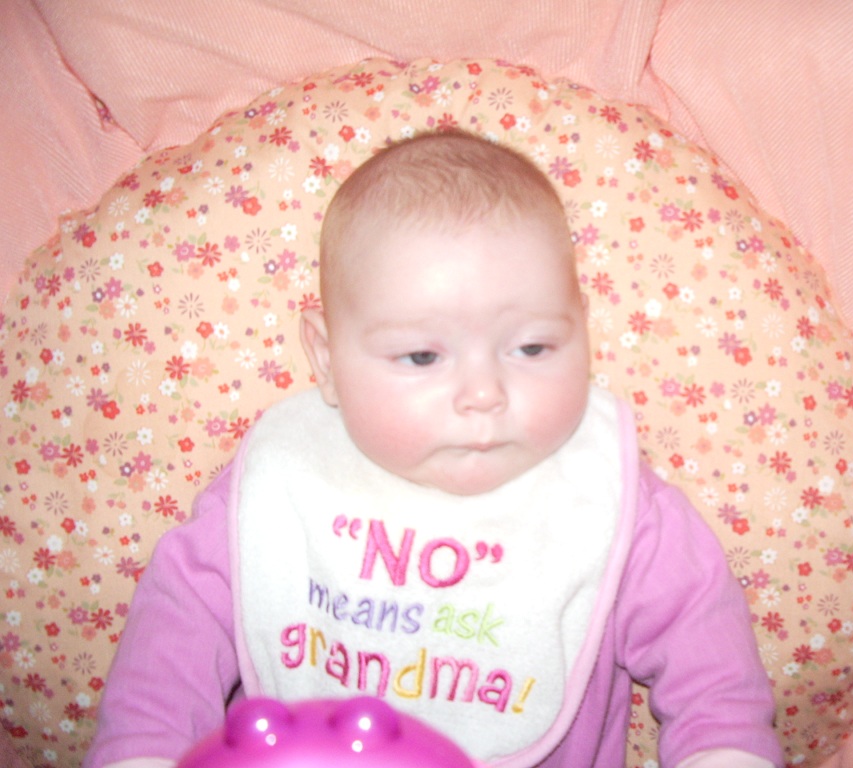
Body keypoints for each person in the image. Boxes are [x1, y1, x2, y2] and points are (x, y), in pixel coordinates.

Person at [85, 132, 782, 768]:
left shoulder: (606, 500)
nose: (484, 393)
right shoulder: (289, 483)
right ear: (325, 359)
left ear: (583, 329)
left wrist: (724, 752)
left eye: (532, 347)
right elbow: (171, 644)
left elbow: (709, 661)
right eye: (422, 356)